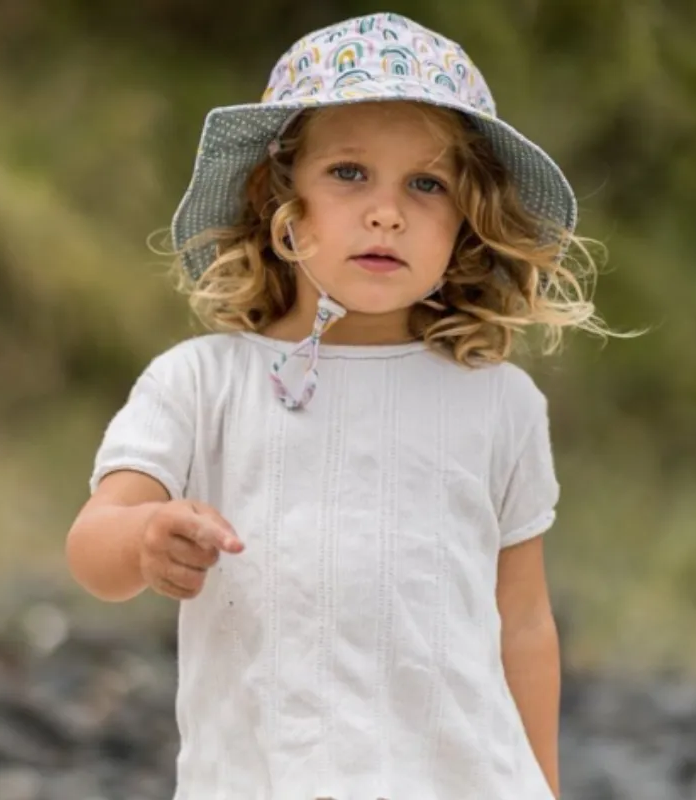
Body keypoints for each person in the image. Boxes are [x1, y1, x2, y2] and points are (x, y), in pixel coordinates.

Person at [66, 11, 609, 800]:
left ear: (464, 225)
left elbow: (524, 625)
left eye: (427, 185)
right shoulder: (201, 383)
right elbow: (92, 548)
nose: (386, 212)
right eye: (350, 173)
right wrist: (145, 538)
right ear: (277, 197)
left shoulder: (499, 404)